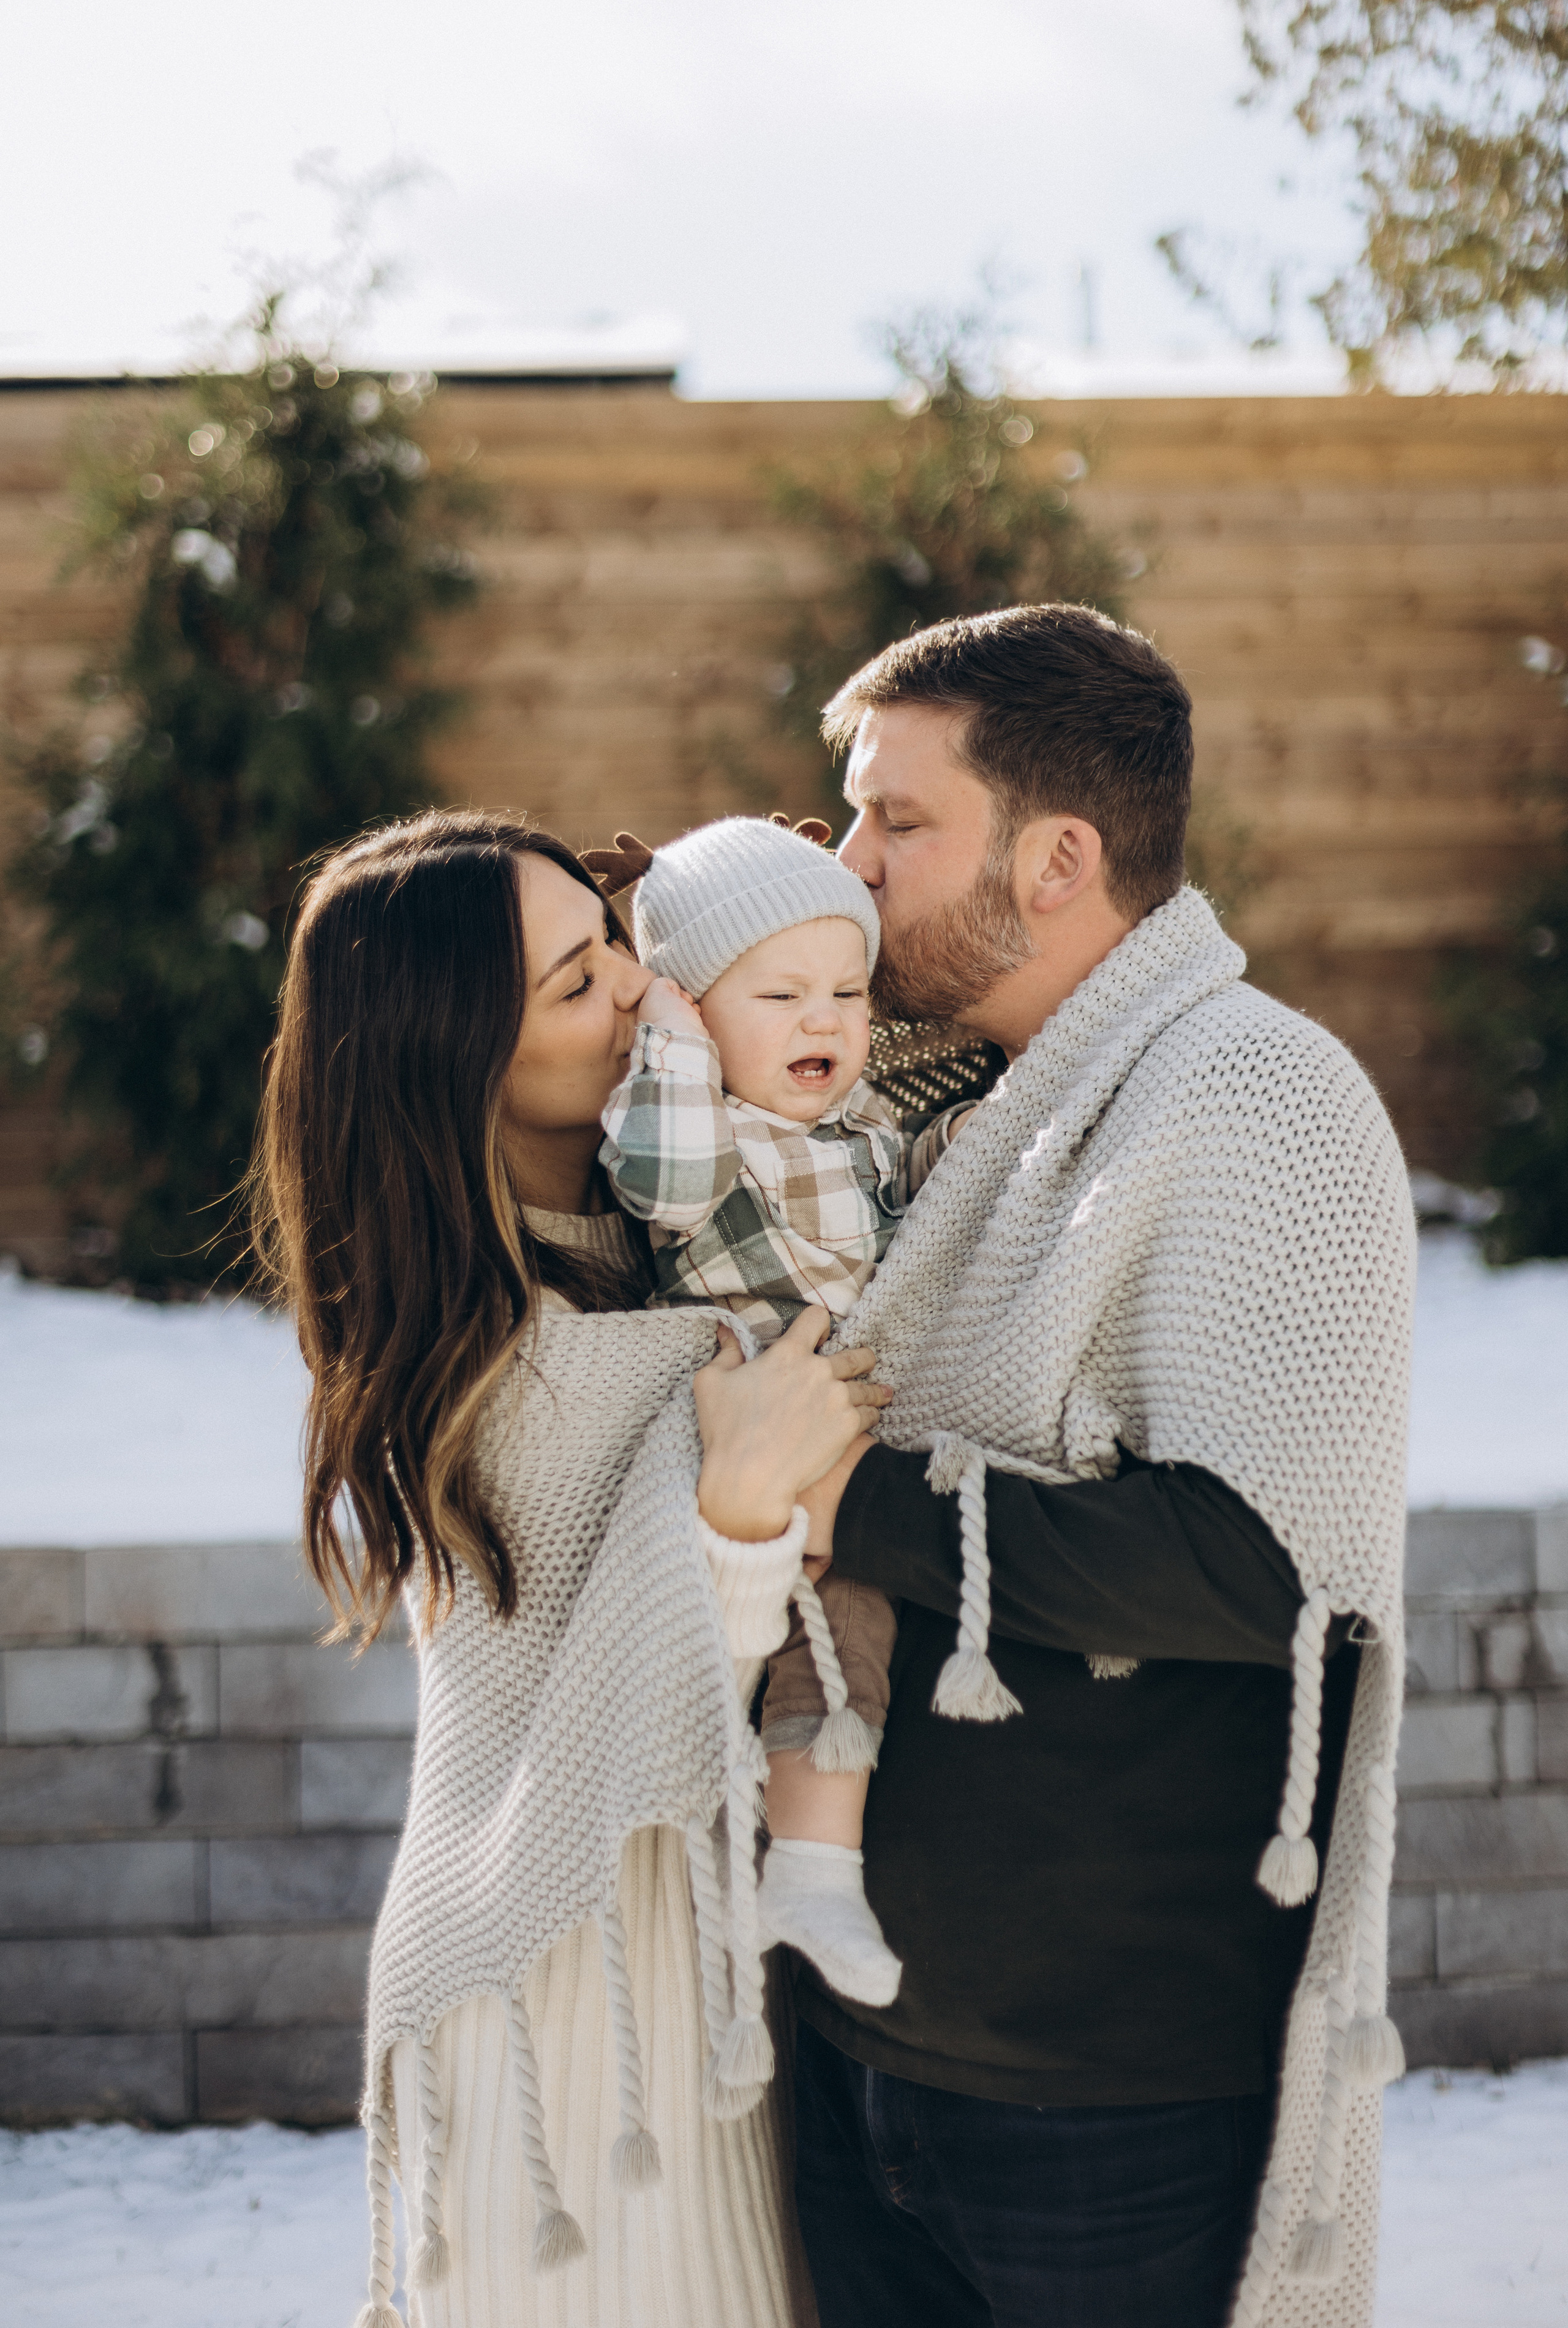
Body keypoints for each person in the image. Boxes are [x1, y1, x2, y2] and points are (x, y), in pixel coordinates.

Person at [778, 605, 1415, 2328]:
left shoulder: (1256, 1093)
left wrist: (841, 1494)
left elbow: (1270, 1569)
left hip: (1109, 2100)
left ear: (1059, 858)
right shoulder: (918, 1112)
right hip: (850, 2045)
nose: (849, 865)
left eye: (895, 823)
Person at [249, 809, 891, 2328]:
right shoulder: (481, 1362)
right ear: (461, 1056)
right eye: (576, 984)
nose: (637, 988)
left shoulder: (674, 1224)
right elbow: (603, 1697)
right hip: (565, 1999)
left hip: (707, 1966)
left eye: (612, 938)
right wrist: (735, 1509)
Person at [594, 812, 969, 2011]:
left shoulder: (853, 1126)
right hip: (761, 1437)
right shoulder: (698, 1133)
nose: (825, 1021)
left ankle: (814, 1867)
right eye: (781, 995)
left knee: (860, 1639)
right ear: (696, 1010)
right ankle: (811, 1866)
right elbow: (660, 1184)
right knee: (835, 1644)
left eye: (847, 993)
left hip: (854, 1438)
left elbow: (898, 1225)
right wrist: (669, 1045)